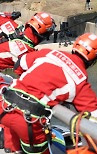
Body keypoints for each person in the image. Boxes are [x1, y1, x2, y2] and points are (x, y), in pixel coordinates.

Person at [0, 33, 97, 153]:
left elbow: (19, 65)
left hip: (5, 104)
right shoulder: (80, 81)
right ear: (93, 59)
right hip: (28, 120)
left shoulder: (49, 53)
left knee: (12, 145)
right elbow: (96, 118)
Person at [0, 12, 56, 153]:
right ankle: (11, 147)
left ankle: (9, 145)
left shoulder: (14, 30)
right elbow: (28, 81)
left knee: (11, 94)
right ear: (44, 35)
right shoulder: (26, 52)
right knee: (14, 101)